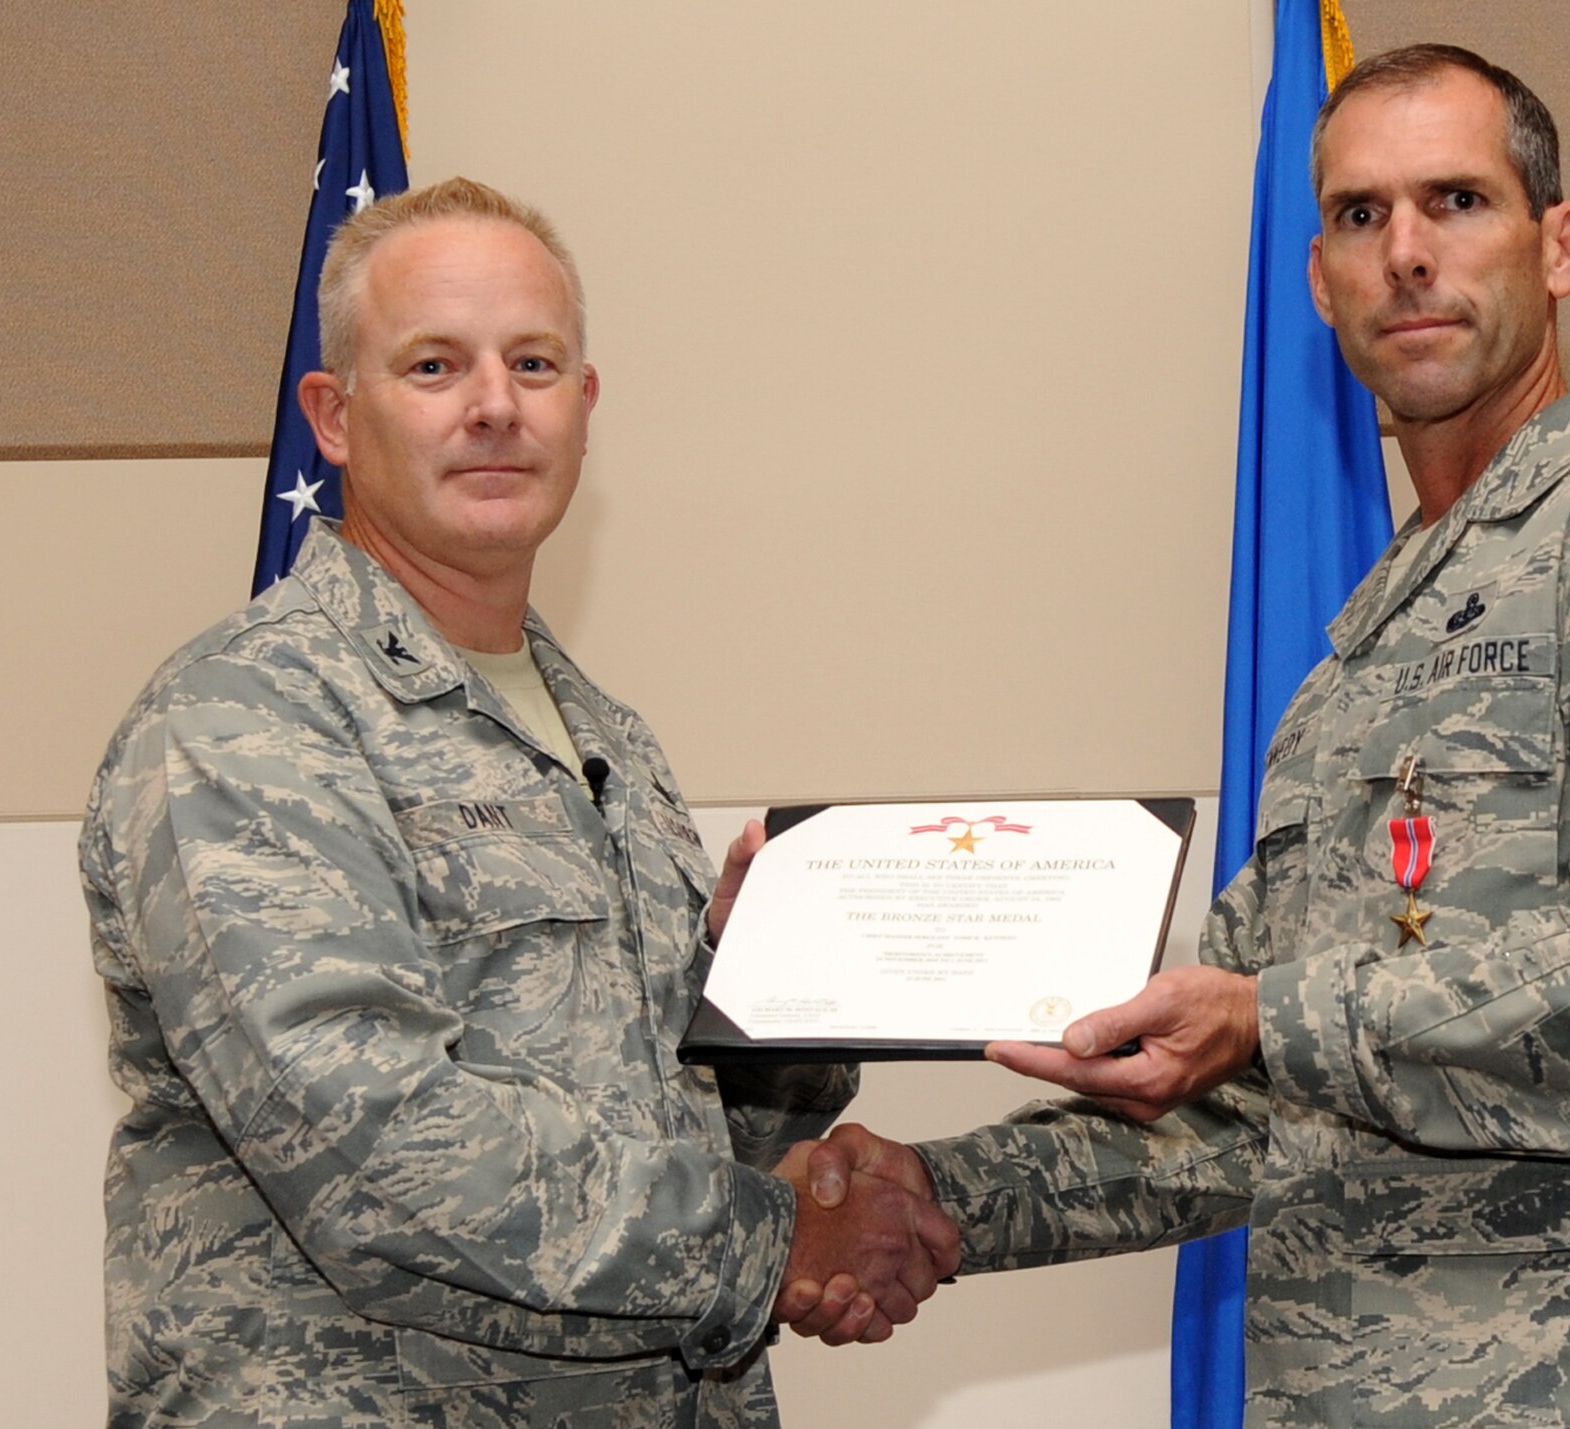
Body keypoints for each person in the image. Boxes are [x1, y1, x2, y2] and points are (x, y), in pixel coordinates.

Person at [799, 45, 1570, 1427]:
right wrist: (932, 1201)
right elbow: (1263, 1102)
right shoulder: (1356, 672)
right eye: (1363, 216)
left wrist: (1271, 1014)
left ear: (1564, 245)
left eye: (1457, 202)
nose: (1408, 254)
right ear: (1317, 279)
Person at [81, 177, 956, 1428]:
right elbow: (375, 1152)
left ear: (584, 409)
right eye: (434, 366)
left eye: (534, 363)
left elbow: (691, 1120)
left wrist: (768, 993)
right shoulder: (245, 720)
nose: (495, 405)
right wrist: (778, 1244)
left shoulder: (609, 740)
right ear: (331, 417)